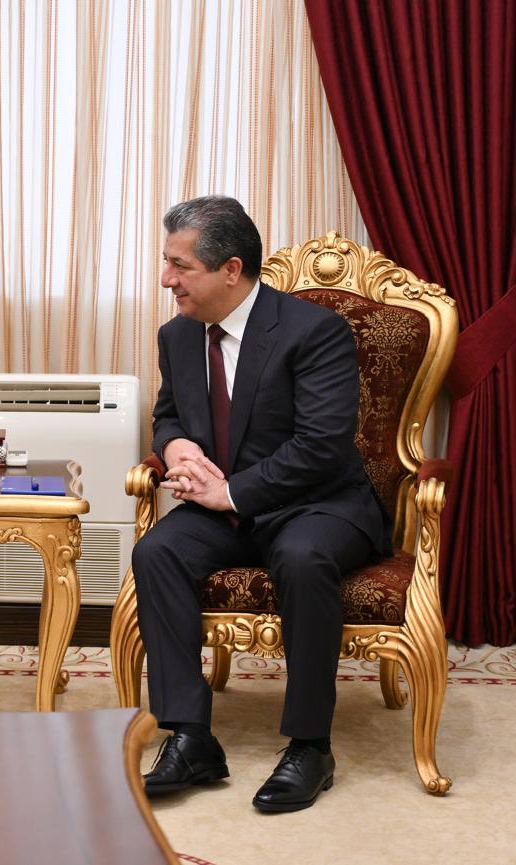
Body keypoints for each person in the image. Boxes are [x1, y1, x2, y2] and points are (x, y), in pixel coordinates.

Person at [133, 195, 390, 812]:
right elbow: (168, 416)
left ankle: (310, 745)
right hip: (227, 511)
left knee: (302, 557)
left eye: (180, 266)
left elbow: (322, 446)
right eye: (166, 263)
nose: (166, 279)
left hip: (318, 505)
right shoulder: (178, 335)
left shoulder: (314, 331)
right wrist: (177, 446)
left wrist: (230, 491)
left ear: (231, 270)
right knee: (157, 552)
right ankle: (190, 737)